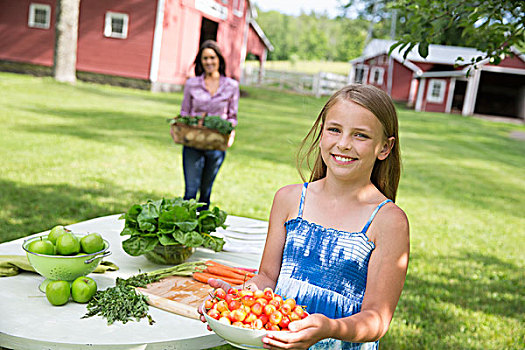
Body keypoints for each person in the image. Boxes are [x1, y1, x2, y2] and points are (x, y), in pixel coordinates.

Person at [200, 84, 410, 349]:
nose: (343, 144)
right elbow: (267, 277)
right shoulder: (288, 200)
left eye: (361, 136)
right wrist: (238, 301)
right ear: (321, 133)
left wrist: (329, 327)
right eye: (334, 130)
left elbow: (377, 320)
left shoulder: (388, 220)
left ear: (385, 148)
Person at [178, 40, 239, 210]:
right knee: (190, 192)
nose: (209, 62)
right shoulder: (192, 84)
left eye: (212, 57)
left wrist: (231, 134)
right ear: (200, 61)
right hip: (193, 142)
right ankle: (184, 230)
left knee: (205, 193)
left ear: (219, 59)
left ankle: (202, 234)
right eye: (205, 58)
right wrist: (181, 125)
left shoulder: (231, 86)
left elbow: (232, 116)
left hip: (216, 144)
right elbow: (185, 112)